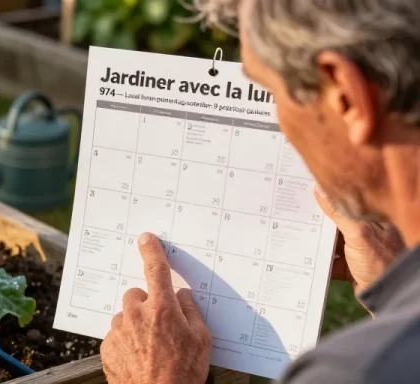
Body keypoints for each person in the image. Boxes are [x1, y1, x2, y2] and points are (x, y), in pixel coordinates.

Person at [99, 0, 420, 383]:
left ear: (346, 96)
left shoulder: (350, 371)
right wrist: (401, 283)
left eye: (268, 91)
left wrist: (161, 378)